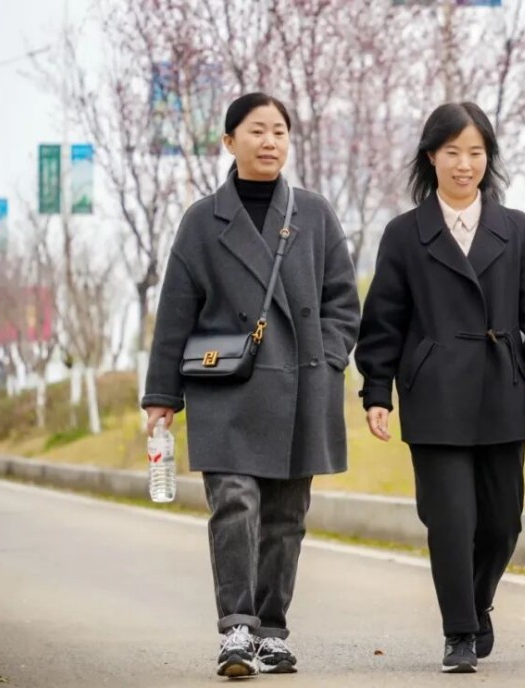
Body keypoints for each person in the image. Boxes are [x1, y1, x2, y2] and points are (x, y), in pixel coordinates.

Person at [141, 92, 360, 678]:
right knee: (235, 505)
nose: (269, 141)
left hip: (300, 385)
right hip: (225, 387)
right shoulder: (201, 220)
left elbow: (343, 301)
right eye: (257, 130)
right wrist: (161, 395)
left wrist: (326, 357)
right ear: (229, 141)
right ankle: (237, 628)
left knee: (286, 517)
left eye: (279, 131)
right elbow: (176, 311)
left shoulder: (313, 213)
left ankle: (271, 632)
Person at [354, 102, 525, 674]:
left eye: (476, 152)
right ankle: (459, 632)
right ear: (431, 157)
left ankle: (477, 601)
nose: (464, 164)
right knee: (450, 521)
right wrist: (377, 392)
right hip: (434, 394)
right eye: (452, 152)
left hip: (503, 388)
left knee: (502, 523)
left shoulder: (516, 229)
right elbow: (383, 322)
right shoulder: (404, 234)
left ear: (488, 158)